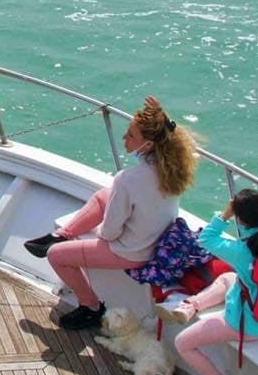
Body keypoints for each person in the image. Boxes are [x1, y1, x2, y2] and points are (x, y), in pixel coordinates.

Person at [25, 95, 198, 330]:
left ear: (148, 145)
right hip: (156, 241)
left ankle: (91, 307)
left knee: (56, 256)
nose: (124, 138)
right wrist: (159, 115)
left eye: (131, 135)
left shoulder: (128, 180)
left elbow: (108, 234)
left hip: (131, 252)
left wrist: (106, 226)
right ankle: (63, 234)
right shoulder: (172, 171)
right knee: (104, 195)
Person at [161, 189, 258, 375]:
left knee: (183, 343)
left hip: (247, 323)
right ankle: (191, 305)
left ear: (240, 219)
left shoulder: (243, 252)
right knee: (228, 278)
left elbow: (206, 239)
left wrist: (225, 214)